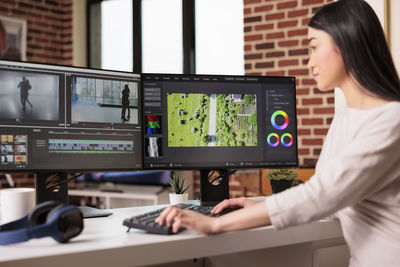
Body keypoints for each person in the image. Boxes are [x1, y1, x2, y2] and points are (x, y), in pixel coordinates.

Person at [155, 1, 400, 266]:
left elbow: (324, 194)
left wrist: (216, 225)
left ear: (346, 43)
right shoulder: (344, 118)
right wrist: (261, 207)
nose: (309, 62)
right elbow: (327, 191)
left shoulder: (392, 119)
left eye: (314, 46)